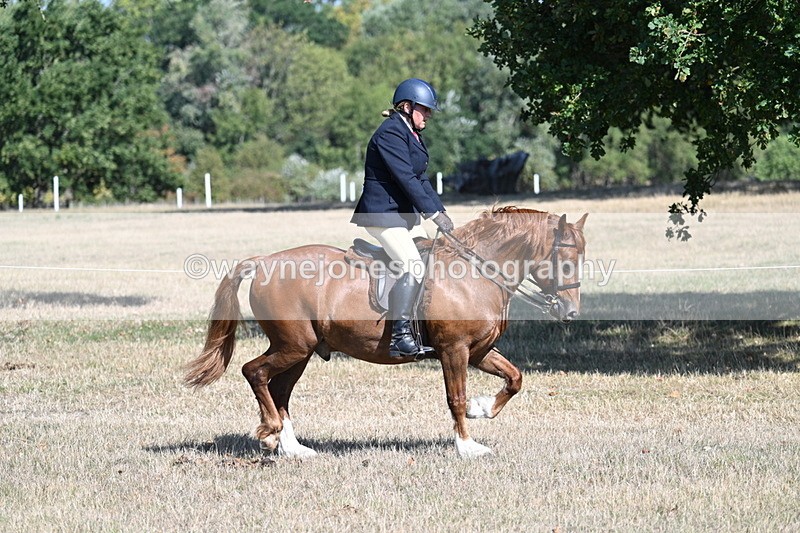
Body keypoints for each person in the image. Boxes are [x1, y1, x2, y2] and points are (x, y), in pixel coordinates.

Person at [350, 78, 455, 357]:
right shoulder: (390, 133)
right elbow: (406, 178)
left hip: (395, 217)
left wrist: (441, 211)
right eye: (425, 109)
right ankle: (400, 338)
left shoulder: (410, 133)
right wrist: (432, 214)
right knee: (413, 267)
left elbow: (421, 179)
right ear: (407, 106)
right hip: (381, 215)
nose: (429, 115)